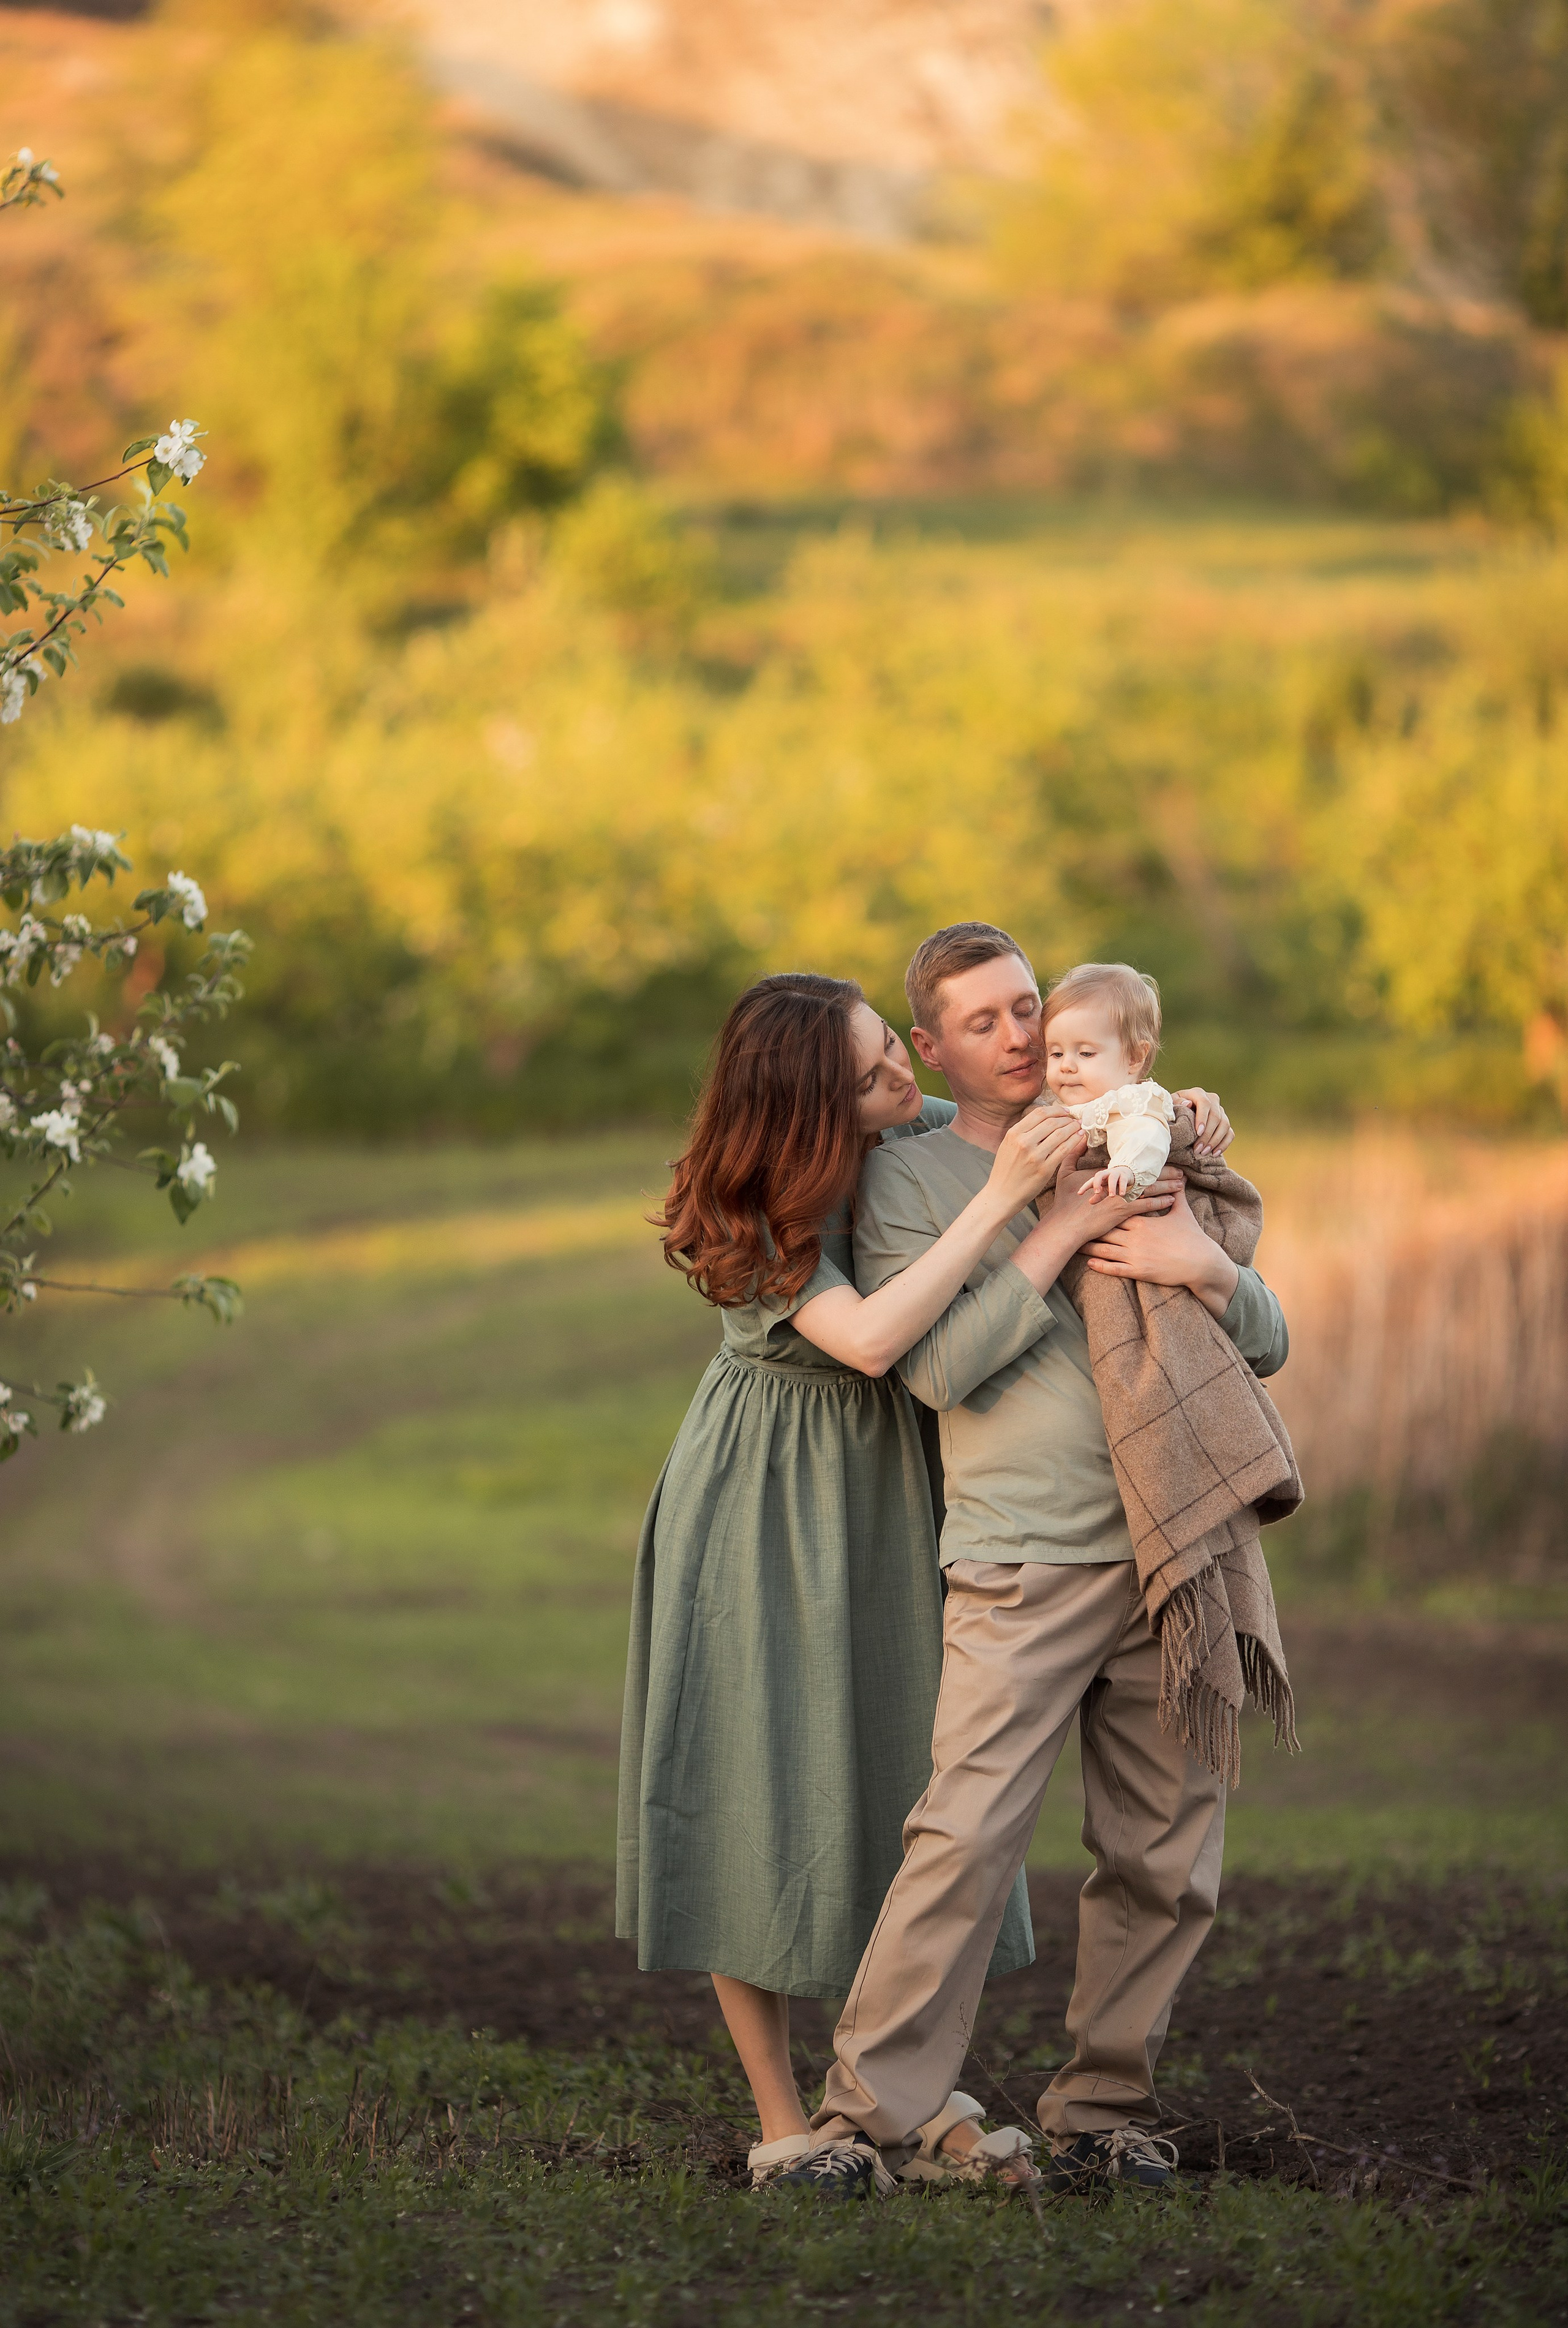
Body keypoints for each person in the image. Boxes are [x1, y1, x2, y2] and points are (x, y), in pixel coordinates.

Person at [616, 970, 1232, 2189]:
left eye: (887, 1053)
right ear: (805, 1105)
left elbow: (1077, 1126)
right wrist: (1011, 1199)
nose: (899, 1075)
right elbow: (876, 1340)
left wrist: (1168, 1111)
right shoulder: (763, 1203)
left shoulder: (898, 1150)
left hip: (894, 1487)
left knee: (897, 1777)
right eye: (866, 1073)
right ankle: (790, 2115)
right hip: (772, 1492)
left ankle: (912, 2094)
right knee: (761, 1784)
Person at [784, 923, 1284, 2198]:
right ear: (930, 1048)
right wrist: (1054, 1224)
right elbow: (941, 1369)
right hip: (1023, 1557)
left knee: (1165, 1852)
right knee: (961, 1834)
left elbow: (1262, 1338)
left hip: (1174, 1545)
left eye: (1028, 1006)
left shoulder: (1144, 1130)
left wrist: (1205, 1268)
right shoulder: (905, 1178)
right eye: (986, 1019)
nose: (1018, 1035)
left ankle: (1100, 2105)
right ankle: (862, 2117)